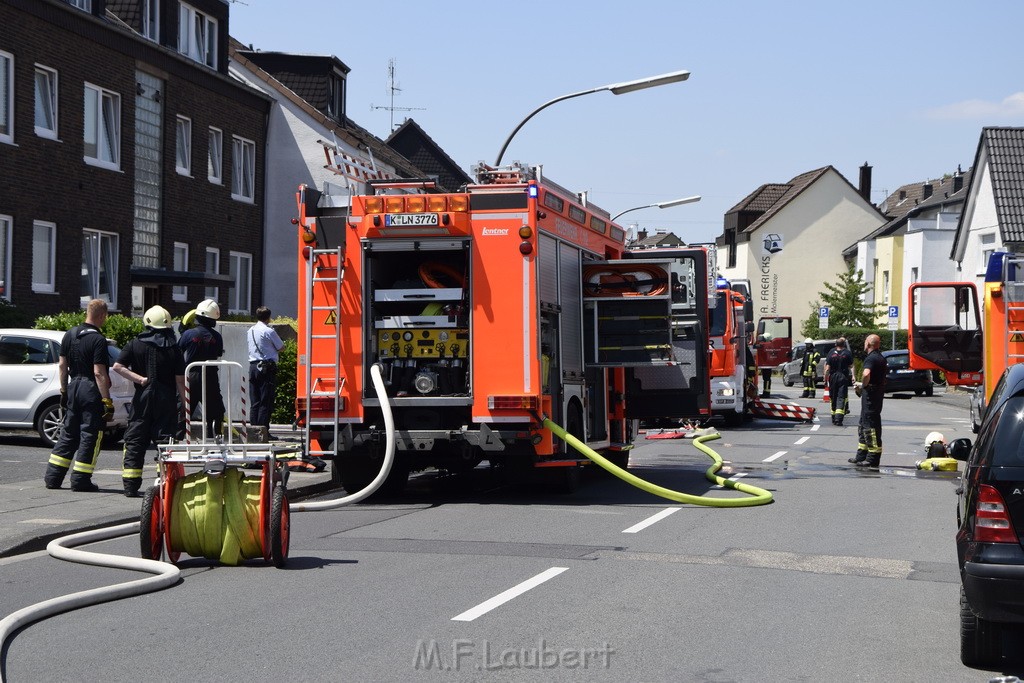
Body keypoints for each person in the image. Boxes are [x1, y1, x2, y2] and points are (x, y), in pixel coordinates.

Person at [112, 306, 187, 497]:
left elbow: (118, 366)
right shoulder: (174, 348)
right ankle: (163, 486)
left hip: (142, 398)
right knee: (164, 441)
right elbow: (180, 381)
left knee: (135, 440)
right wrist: (186, 406)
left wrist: (139, 379)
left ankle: (130, 486)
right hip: (166, 400)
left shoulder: (134, 344)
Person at [44, 299, 114, 492]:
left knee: (68, 434)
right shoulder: (98, 340)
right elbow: (99, 372)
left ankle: (53, 477)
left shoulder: (70, 334)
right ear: (102, 315)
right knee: (90, 435)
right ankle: (80, 480)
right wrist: (107, 401)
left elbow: (62, 365)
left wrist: (64, 391)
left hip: (73, 387)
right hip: (91, 390)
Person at [178, 298, 225, 438]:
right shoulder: (217, 336)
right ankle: (214, 437)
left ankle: (176, 439)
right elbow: (217, 353)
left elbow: (178, 351)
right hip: (210, 376)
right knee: (216, 410)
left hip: (190, 375)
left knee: (184, 410)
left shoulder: (188, 334)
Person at [851, 334, 887, 468]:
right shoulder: (880, 357)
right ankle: (861, 455)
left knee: (869, 426)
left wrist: (864, 385)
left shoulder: (871, 358)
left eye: (865, 341)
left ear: (868, 344)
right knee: (863, 424)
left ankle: (872, 458)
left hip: (871, 396)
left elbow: (866, 374)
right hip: (875, 394)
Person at [247, 306, 284, 430]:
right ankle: (263, 431)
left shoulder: (250, 330)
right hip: (266, 367)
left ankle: (253, 431)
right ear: (268, 317)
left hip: (253, 366)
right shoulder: (269, 331)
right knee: (265, 400)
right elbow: (281, 347)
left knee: (254, 401)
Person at [825, 338, 854, 426]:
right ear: (844, 344)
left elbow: (827, 368)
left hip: (833, 377)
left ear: (835, 344)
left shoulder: (831, 352)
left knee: (833, 396)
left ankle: (834, 417)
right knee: (841, 397)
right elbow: (851, 366)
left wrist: (825, 378)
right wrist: (853, 376)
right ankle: (839, 419)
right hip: (843, 377)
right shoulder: (847, 353)